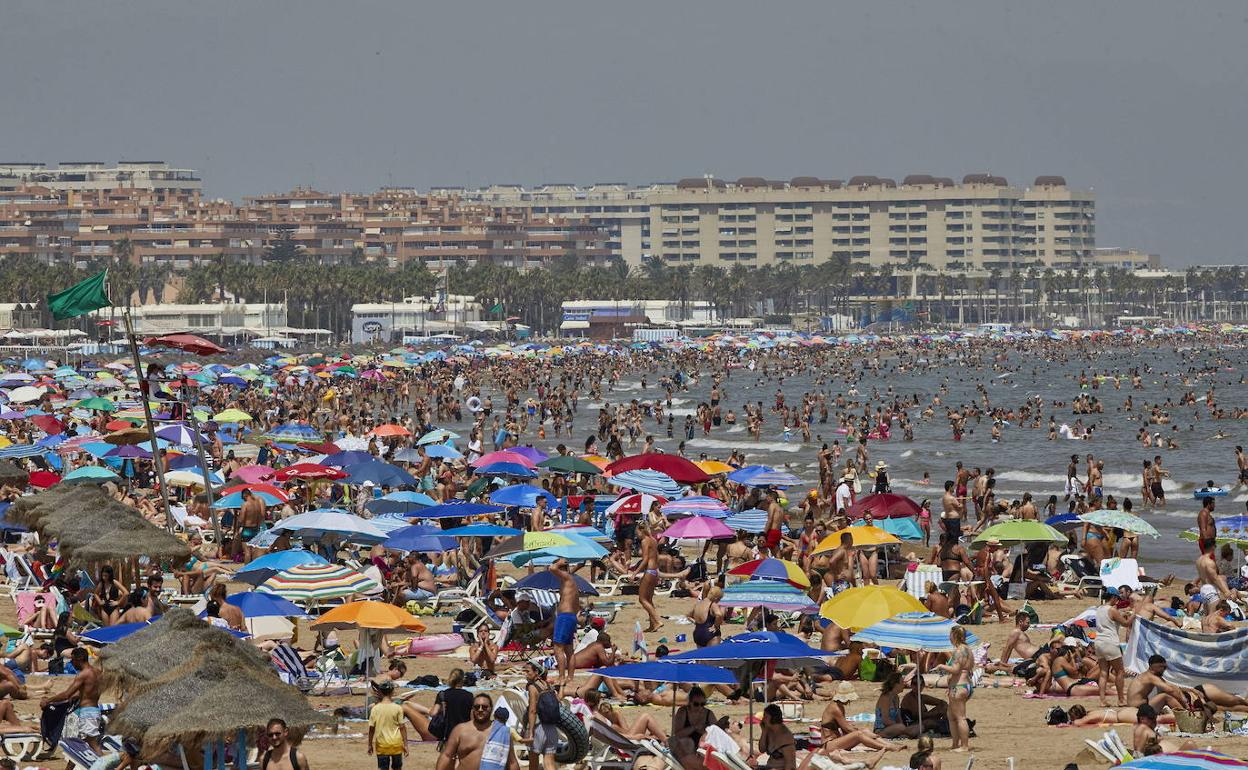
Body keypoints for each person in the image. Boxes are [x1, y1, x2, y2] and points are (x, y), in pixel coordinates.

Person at [40, 647, 102, 755]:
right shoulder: (98, 672)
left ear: (79, 659)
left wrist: (48, 700)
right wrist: (78, 695)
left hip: (87, 713)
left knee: (92, 744)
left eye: (72, 660)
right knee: (77, 744)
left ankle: (107, 765)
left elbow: (66, 694)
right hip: (94, 710)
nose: (71, 663)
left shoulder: (83, 674)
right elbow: (90, 690)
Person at [436, 694, 520, 770]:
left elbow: (512, 762)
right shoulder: (460, 730)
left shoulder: (502, 732)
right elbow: (446, 756)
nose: (480, 710)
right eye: (477, 707)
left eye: (484, 707)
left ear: (491, 709)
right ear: (472, 709)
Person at [935, 626, 973, 753]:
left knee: (960, 717)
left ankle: (964, 746)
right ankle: (955, 744)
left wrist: (941, 666)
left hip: (959, 686)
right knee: (951, 716)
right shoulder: (968, 649)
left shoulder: (959, 651)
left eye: (950, 635)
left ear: (954, 636)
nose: (949, 637)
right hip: (963, 684)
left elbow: (956, 670)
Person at [1094, 590, 1132, 707]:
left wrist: (1121, 615)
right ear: (1114, 597)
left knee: (1103, 672)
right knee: (1120, 671)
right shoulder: (1112, 610)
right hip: (1110, 642)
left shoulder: (1099, 609)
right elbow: (1126, 623)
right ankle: (1121, 699)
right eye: (1117, 599)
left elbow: (1111, 620)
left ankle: (1102, 700)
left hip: (1099, 642)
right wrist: (1134, 615)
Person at [547, 558, 580, 690]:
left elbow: (552, 568)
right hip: (570, 616)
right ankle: (570, 677)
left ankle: (561, 677)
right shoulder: (570, 581)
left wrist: (559, 562)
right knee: (568, 649)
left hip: (565, 617)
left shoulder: (567, 578)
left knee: (558, 647)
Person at [670, 686, 716, 770]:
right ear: (689, 702)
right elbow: (677, 734)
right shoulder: (683, 712)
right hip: (685, 746)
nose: (700, 707)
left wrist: (704, 731)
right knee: (687, 742)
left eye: (703, 704)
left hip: (701, 747)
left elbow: (716, 733)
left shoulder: (709, 714)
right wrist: (694, 727)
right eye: (696, 704)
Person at [523, 662, 559, 770]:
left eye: (528, 671)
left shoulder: (533, 687)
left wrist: (530, 732)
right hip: (552, 728)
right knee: (549, 763)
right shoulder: (548, 686)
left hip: (538, 728)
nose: (525, 674)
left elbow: (533, 710)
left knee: (533, 763)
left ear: (536, 672)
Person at [369, 679, 408, 769]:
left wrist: (369, 744)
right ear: (392, 692)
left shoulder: (375, 709)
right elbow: (402, 727)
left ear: (380, 692)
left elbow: (371, 729)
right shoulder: (398, 708)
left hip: (382, 745)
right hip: (396, 744)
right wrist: (405, 744)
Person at [430, 668, 475, 746]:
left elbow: (433, 713)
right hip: (464, 733)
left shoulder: (443, 694)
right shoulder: (469, 695)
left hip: (448, 734)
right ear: (462, 680)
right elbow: (472, 718)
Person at [874, 673, 920, 739]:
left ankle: (904, 733)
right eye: (902, 682)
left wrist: (902, 727)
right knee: (901, 727)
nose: (904, 684)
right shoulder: (885, 697)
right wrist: (901, 727)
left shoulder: (896, 697)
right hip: (881, 730)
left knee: (918, 726)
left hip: (894, 727)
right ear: (895, 684)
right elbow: (885, 720)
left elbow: (898, 717)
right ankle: (907, 734)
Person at [636, 523, 663, 632]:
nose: (637, 535)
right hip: (655, 571)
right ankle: (653, 625)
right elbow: (656, 557)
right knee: (649, 599)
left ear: (641, 530)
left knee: (642, 599)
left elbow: (645, 559)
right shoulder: (653, 540)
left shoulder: (644, 541)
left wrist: (635, 572)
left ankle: (657, 620)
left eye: (637, 532)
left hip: (649, 571)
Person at [756, 704, 796, 770]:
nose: (763, 719)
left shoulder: (785, 737)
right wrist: (764, 731)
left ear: (773, 718)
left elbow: (790, 763)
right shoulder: (769, 730)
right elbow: (762, 749)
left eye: (765, 717)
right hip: (770, 766)